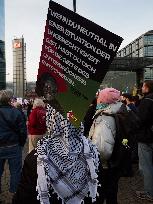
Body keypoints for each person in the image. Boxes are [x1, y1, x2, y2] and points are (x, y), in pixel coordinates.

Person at [12, 104, 99, 204]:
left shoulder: (37, 157)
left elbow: (23, 198)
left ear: (51, 121)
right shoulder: (92, 152)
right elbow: (98, 191)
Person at [89, 88, 123, 204]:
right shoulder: (118, 111)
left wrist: (95, 162)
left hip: (104, 167)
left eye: (99, 98)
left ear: (104, 100)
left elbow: (102, 150)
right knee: (112, 194)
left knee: (99, 194)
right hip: (115, 163)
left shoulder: (104, 117)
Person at [0, 90, 27, 198]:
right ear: (10, 99)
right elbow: (23, 131)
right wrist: (21, 144)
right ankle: (14, 193)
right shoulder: (17, 112)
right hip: (14, 146)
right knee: (15, 172)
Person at [136, 80, 153, 202]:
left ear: (147, 88)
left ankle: (149, 193)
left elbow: (139, 120)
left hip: (145, 137)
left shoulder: (146, 101)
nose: (141, 88)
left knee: (146, 167)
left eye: (143, 86)